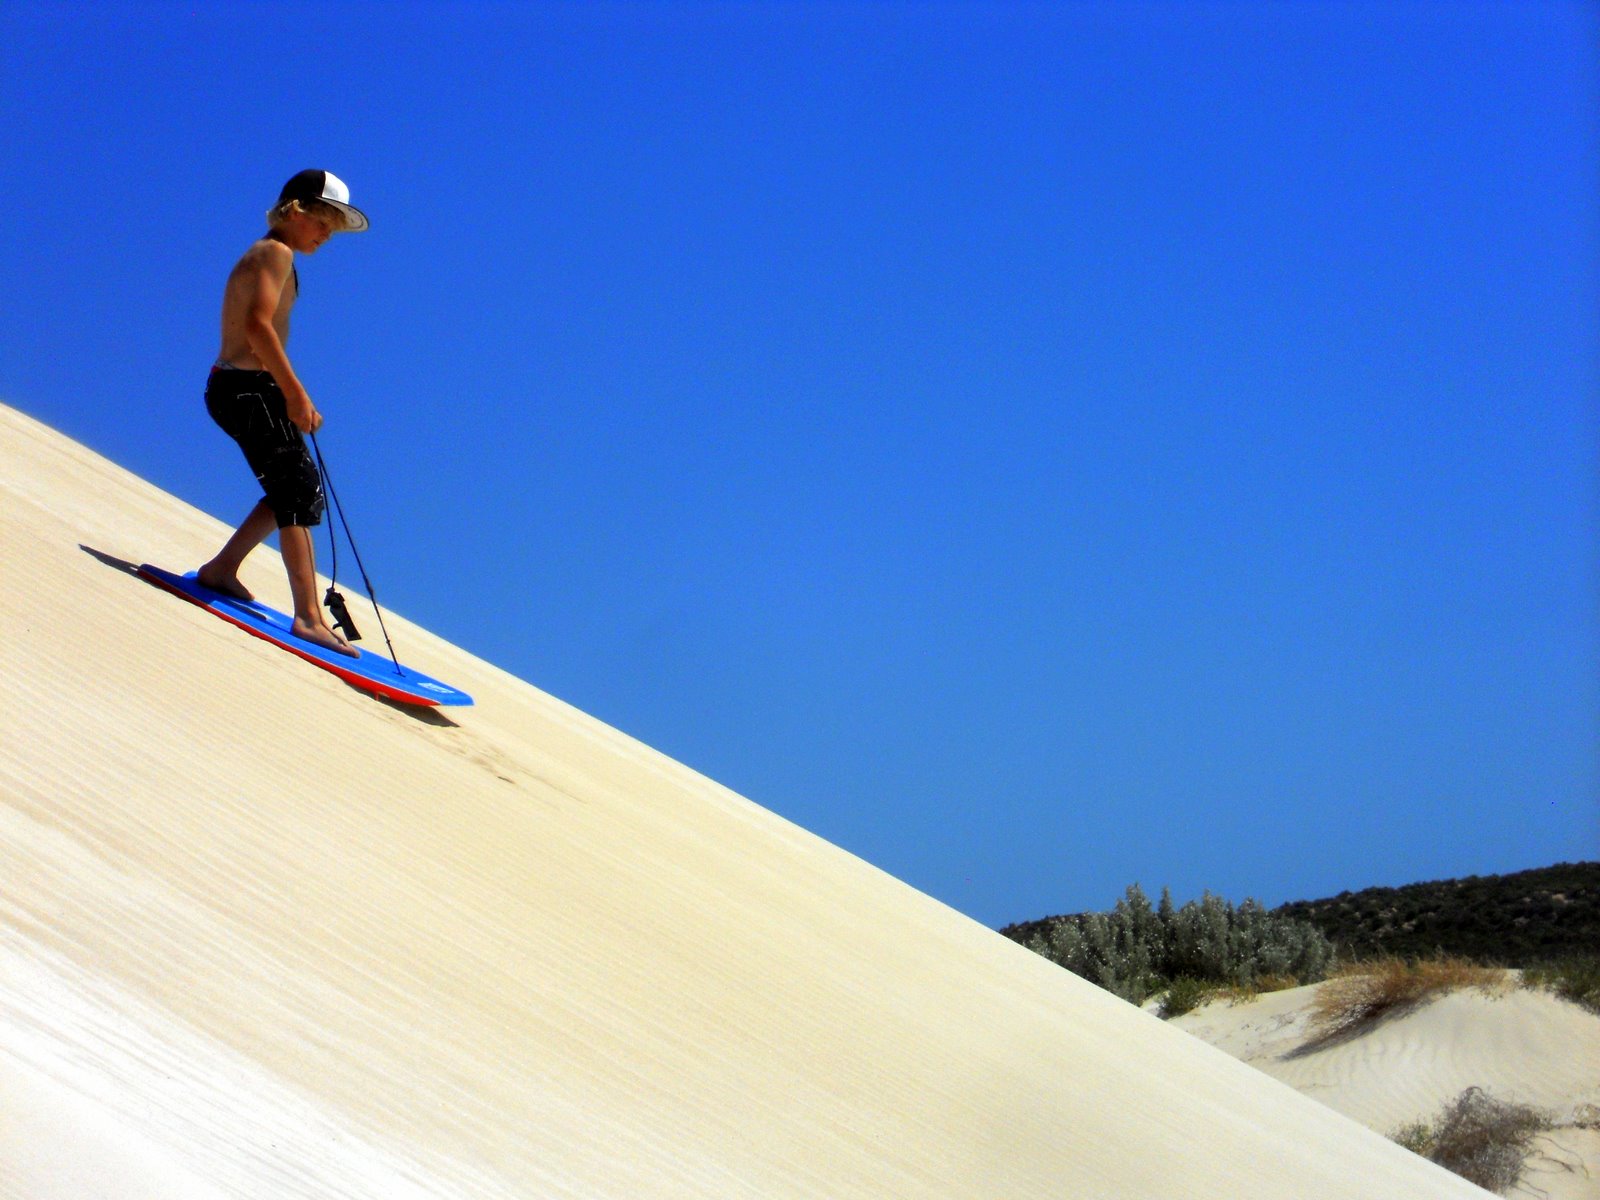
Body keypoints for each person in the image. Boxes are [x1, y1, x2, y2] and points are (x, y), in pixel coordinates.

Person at [197, 170, 369, 657]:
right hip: (244, 388)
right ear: (296, 210)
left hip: (248, 387)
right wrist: (294, 393)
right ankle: (309, 616)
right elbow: (257, 326)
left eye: (335, 226)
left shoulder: (278, 256)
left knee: (295, 487)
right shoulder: (275, 252)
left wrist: (285, 392)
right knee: (296, 489)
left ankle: (221, 570)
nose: (328, 233)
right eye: (324, 220)